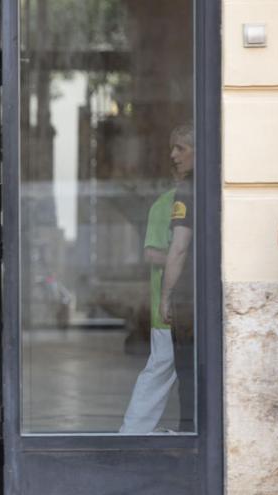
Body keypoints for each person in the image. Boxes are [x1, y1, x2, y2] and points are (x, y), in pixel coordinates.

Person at [120, 131, 190, 433]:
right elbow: (151, 252)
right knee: (161, 369)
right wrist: (188, 260)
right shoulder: (165, 204)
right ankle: (132, 432)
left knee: (177, 371)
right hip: (169, 311)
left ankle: (187, 430)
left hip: (182, 306)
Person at [160, 123, 195, 432]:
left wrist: (165, 295)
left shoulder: (187, 190)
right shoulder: (217, 184)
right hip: (210, 292)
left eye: (180, 148)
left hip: (189, 298)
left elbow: (179, 248)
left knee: (187, 369)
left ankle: (190, 432)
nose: (173, 155)